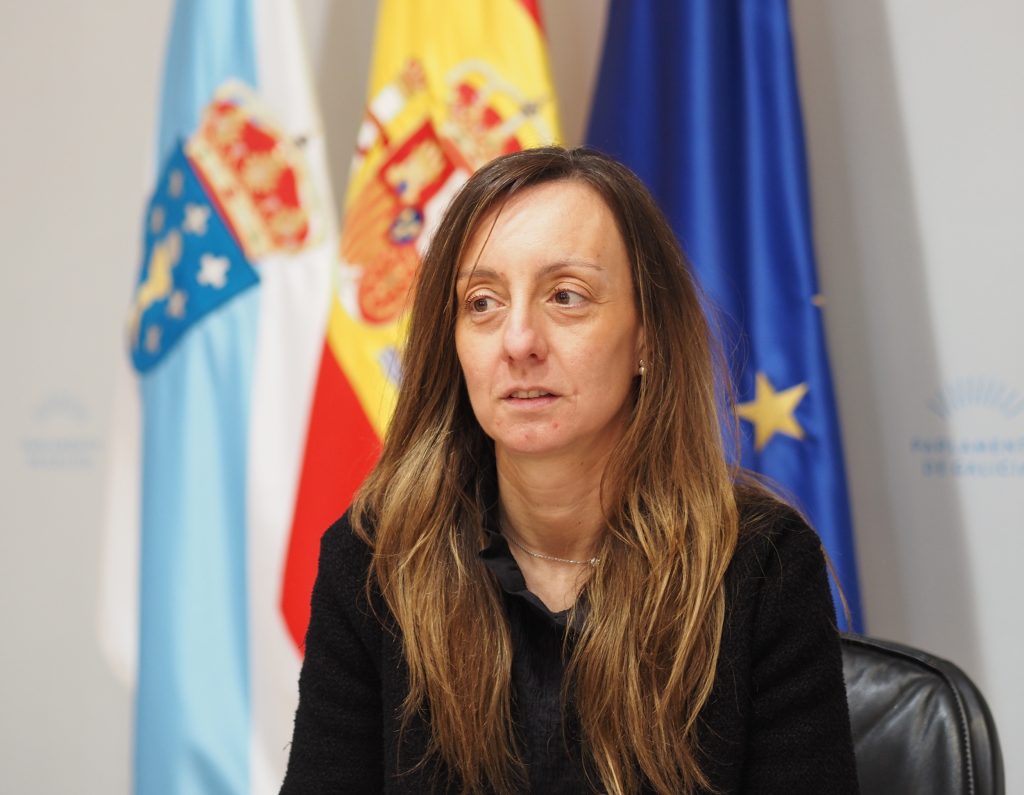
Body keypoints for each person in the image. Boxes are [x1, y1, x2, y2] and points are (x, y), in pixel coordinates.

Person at [280, 147, 859, 794]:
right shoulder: (375, 560)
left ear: (646, 336)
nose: (518, 340)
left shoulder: (760, 566)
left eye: (565, 296)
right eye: (482, 302)